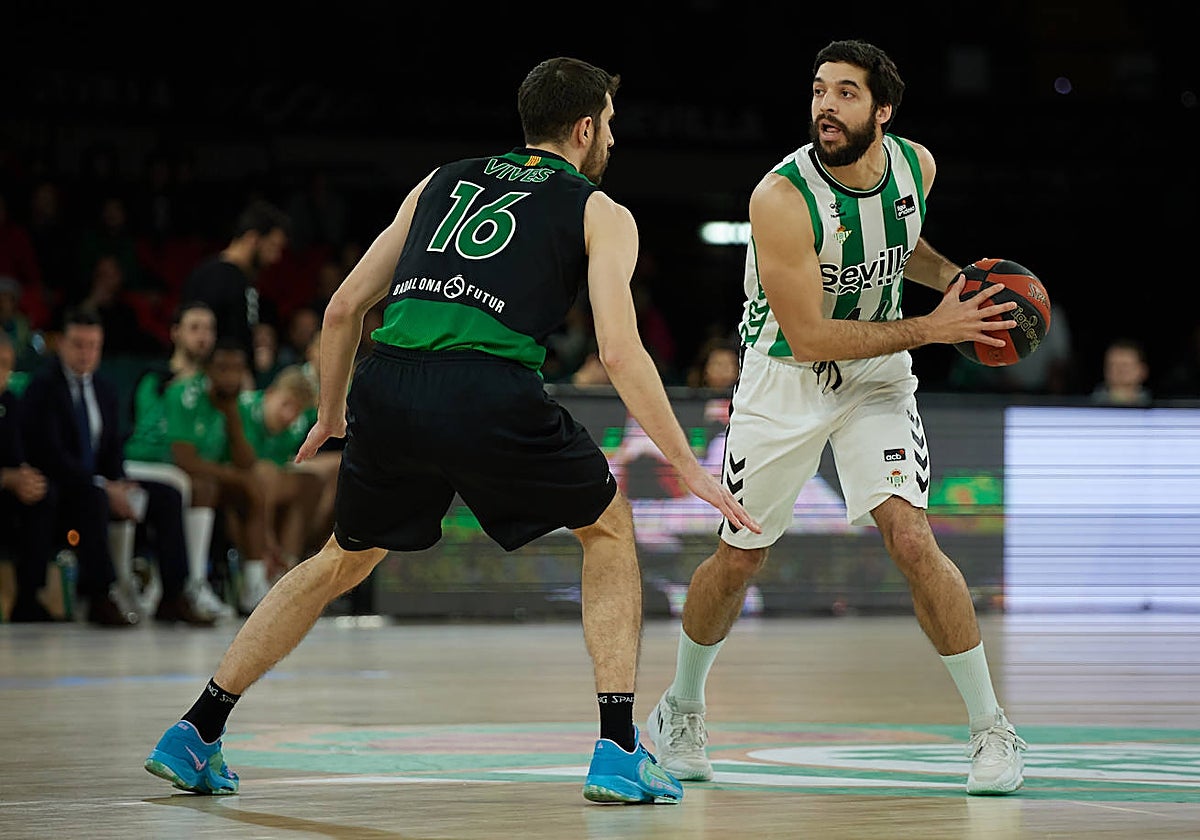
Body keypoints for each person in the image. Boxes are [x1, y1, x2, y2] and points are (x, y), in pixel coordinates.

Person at [144, 56, 759, 805]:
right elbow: (620, 351)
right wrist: (686, 463)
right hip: (486, 387)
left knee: (342, 557)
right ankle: (619, 748)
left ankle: (197, 728)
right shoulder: (599, 209)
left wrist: (335, 412)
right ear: (586, 127)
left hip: (389, 381)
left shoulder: (440, 179)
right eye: (610, 125)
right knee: (607, 529)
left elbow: (342, 310)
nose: (611, 139)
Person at [643, 39, 1029, 797]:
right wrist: (933, 328)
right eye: (820, 91)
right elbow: (813, 332)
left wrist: (960, 283)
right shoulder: (779, 198)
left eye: (846, 93)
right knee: (739, 556)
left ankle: (993, 730)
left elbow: (901, 243)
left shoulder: (917, 165)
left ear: (883, 112)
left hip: (877, 377)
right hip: (786, 375)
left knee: (913, 537)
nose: (826, 105)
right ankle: (681, 708)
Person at [19, 306, 214, 627]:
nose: (86, 353)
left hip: (97, 481)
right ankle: (99, 596)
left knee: (166, 496)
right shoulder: (43, 387)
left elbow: (110, 450)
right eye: (78, 345)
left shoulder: (104, 389)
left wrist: (120, 483)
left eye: (93, 345)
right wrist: (102, 486)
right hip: (62, 485)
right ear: (63, 345)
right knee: (94, 498)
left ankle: (174, 594)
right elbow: (49, 454)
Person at [124, 301, 235, 620]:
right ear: (175, 333)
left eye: (209, 329)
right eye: (194, 327)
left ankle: (192, 582)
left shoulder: (217, 386)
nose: (203, 336)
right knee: (193, 484)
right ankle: (186, 584)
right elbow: (154, 439)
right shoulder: (156, 380)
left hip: (189, 466)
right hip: (147, 464)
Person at [179, 199, 290, 374]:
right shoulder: (216, 276)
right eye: (273, 246)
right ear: (253, 239)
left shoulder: (242, 279)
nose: (275, 258)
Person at [0, 333, 55, 622]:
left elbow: (16, 455)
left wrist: (24, 476)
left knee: (42, 497)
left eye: (7, 365)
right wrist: (7, 478)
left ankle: (29, 597)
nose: (2, 374)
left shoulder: (9, 401)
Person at [1090, 337, 1152, 406]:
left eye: (1125, 365)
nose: (1120, 370)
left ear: (1142, 370)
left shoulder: (1157, 409)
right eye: (1113, 365)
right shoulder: (1087, 409)